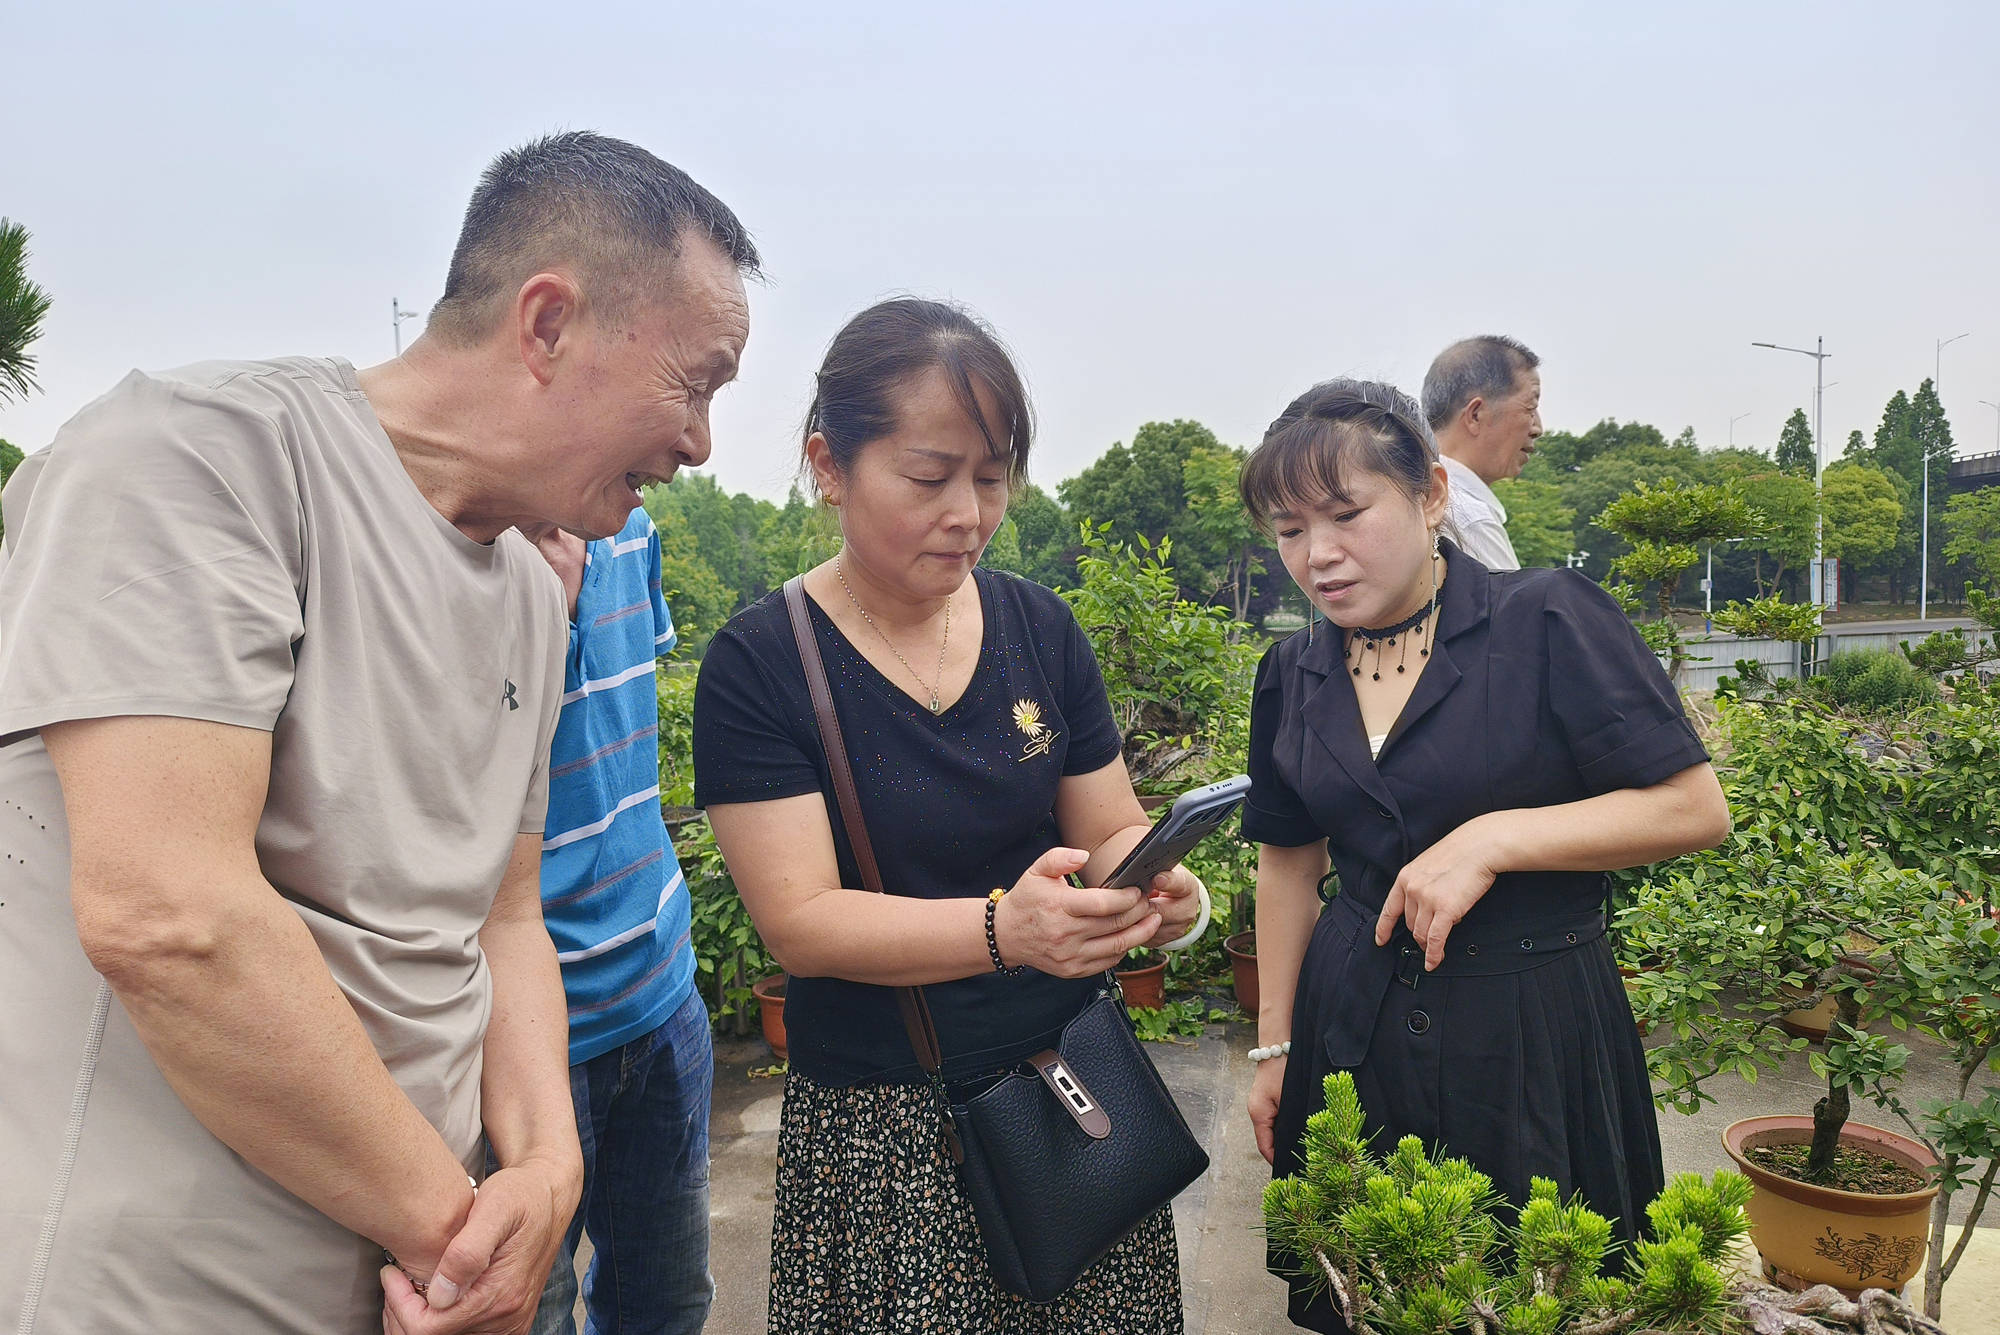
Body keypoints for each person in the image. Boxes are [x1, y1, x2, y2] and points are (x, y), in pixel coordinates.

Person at [0, 131, 755, 1335]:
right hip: (162, 1297)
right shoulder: (202, 458)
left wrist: (547, 1171)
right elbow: (170, 918)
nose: (700, 441)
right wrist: (457, 1242)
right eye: (695, 383)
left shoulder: (528, 595)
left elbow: (504, 916)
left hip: (407, 1291)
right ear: (547, 323)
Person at [692, 297, 1202, 1334]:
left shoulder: (1036, 625)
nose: (967, 513)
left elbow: (1106, 822)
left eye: (991, 475)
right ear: (829, 466)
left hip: (1072, 1092)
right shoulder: (761, 663)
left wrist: (1156, 882)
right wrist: (1001, 930)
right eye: (928, 478)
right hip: (889, 1135)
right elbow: (801, 922)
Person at [1235, 380, 1730, 1333]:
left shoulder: (1546, 620)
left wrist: (1494, 838)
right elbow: (1288, 863)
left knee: (1538, 1293)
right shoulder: (1291, 671)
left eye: (1346, 514)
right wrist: (1276, 1046)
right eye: (1290, 530)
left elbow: (1692, 807)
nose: (1317, 554)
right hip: (1352, 1032)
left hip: (1530, 1029)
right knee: (1369, 1293)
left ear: (1429, 494)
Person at [518, 505, 713, 1335]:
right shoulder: (439, 540)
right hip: (511, 1031)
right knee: (527, 1315)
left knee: (669, 1308)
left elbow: (620, 725)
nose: (693, 449)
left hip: (662, 994)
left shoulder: (633, 529)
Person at [1420, 335, 1544, 570]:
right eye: (1530, 408)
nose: (1538, 428)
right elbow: (1509, 596)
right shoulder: (1467, 517)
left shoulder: (1408, 492)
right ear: (1475, 415)